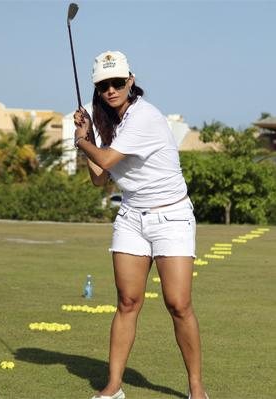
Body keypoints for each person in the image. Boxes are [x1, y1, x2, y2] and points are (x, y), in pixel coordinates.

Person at [73, 51, 208, 399]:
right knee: (128, 302)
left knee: (178, 304)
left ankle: (197, 390)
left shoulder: (143, 117)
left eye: (117, 83)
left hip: (172, 216)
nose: (111, 90)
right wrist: (88, 135)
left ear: (130, 80)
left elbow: (102, 158)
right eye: (104, 85)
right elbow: (100, 179)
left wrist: (83, 141)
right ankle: (113, 388)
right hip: (132, 217)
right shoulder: (111, 124)